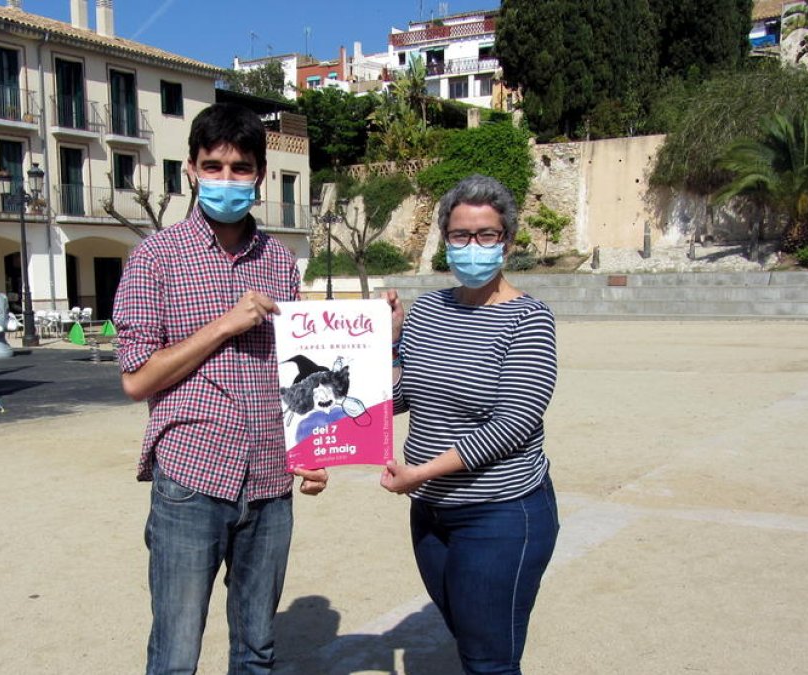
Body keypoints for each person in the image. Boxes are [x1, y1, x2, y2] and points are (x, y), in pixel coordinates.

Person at [113, 102, 329, 675]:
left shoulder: (281, 262)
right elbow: (136, 380)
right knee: (177, 652)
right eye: (214, 166)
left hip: (271, 480)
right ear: (191, 169)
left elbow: (301, 367)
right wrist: (224, 326)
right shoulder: (154, 259)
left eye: (240, 168)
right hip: (191, 477)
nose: (226, 180)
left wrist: (316, 448)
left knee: (257, 649)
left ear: (259, 174)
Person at [381, 174, 560, 674]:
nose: (473, 246)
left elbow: (514, 424)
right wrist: (389, 341)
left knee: (489, 662)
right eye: (460, 235)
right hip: (432, 515)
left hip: (500, 514)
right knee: (469, 638)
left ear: (507, 240)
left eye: (487, 235)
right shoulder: (431, 309)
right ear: (446, 239)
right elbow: (398, 396)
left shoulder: (528, 319)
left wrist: (422, 472)